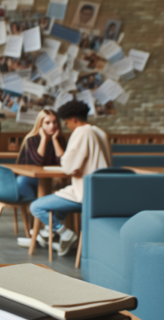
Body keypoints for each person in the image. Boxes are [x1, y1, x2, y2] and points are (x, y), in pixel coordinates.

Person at [30, 101, 111, 256]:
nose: (67, 126)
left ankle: (65, 234)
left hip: (85, 193)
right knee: (58, 206)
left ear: (73, 119)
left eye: (66, 122)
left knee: (36, 207)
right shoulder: (99, 132)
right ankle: (46, 234)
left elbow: (69, 167)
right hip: (100, 192)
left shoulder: (81, 132)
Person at [15, 109, 67, 199]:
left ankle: (47, 210)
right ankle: (37, 208)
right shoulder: (31, 139)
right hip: (32, 177)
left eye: (54, 122)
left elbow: (64, 161)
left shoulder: (60, 140)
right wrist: (43, 138)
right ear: (40, 125)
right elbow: (38, 161)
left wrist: (54, 140)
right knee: (21, 181)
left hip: (54, 178)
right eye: (47, 123)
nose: (52, 126)